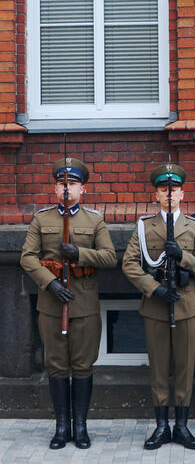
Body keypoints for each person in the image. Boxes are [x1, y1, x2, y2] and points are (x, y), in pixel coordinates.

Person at [20, 157, 117, 450]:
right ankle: (62, 427)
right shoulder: (43, 219)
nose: (66, 189)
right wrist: (49, 283)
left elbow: (110, 257)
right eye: (62, 183)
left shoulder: (94, 220)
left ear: (82, 189)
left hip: (84, 303)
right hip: (52, 304)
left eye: (72, 184)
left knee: (83, 366)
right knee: (57, 366)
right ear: (55, 187)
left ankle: (81, 427)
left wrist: (80, 255)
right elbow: (27, 257)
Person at [121, 163, 195, 450]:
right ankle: (161, 426)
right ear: (156, 194)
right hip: (156, 305)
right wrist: (154, 287)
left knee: (185, 367)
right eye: (163, 190)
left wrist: (182, 256)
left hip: (185, 304)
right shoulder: (145, 226)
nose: (169, 194)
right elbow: (130, 264)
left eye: (174, 190)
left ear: (182, 194)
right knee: (159, 368)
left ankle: (181, 427)